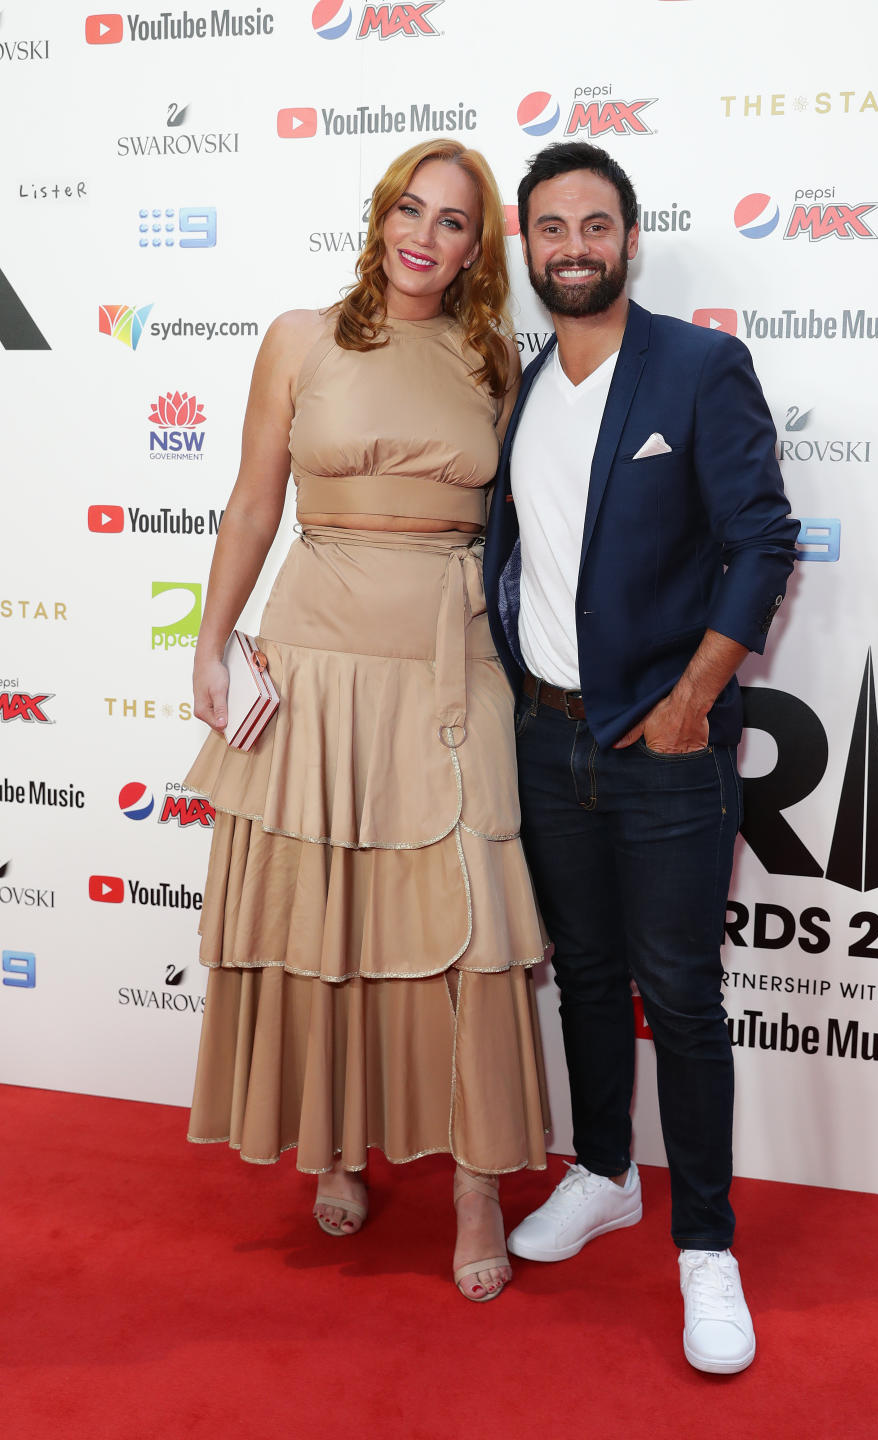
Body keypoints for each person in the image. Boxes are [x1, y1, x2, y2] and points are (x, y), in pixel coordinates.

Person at [184, 138, 550, 1304]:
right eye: (412, 209)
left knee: (471, 924)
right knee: (330, 906)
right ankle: (338, 1147)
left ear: (476, 250)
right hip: (319, 654)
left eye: (454, 223)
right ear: (380, 214)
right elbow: (253, 500)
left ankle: (478, 1182)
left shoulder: (493, 354)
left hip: (452, 659)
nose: (425, 237)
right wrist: (212, 641)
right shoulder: (299, 337)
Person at [483, 142, 798, 1369]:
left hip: (665, 747)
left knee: (681, 997)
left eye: (594, 225)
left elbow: (763, 544)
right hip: (546, 735)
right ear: (526, 245)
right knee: (585, 972)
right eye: (550, 227)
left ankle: (706, 1248)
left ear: (630, 237)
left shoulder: (700, 366)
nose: (573, 247)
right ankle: (606, 1171)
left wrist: (690, 701)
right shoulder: (522, 380)